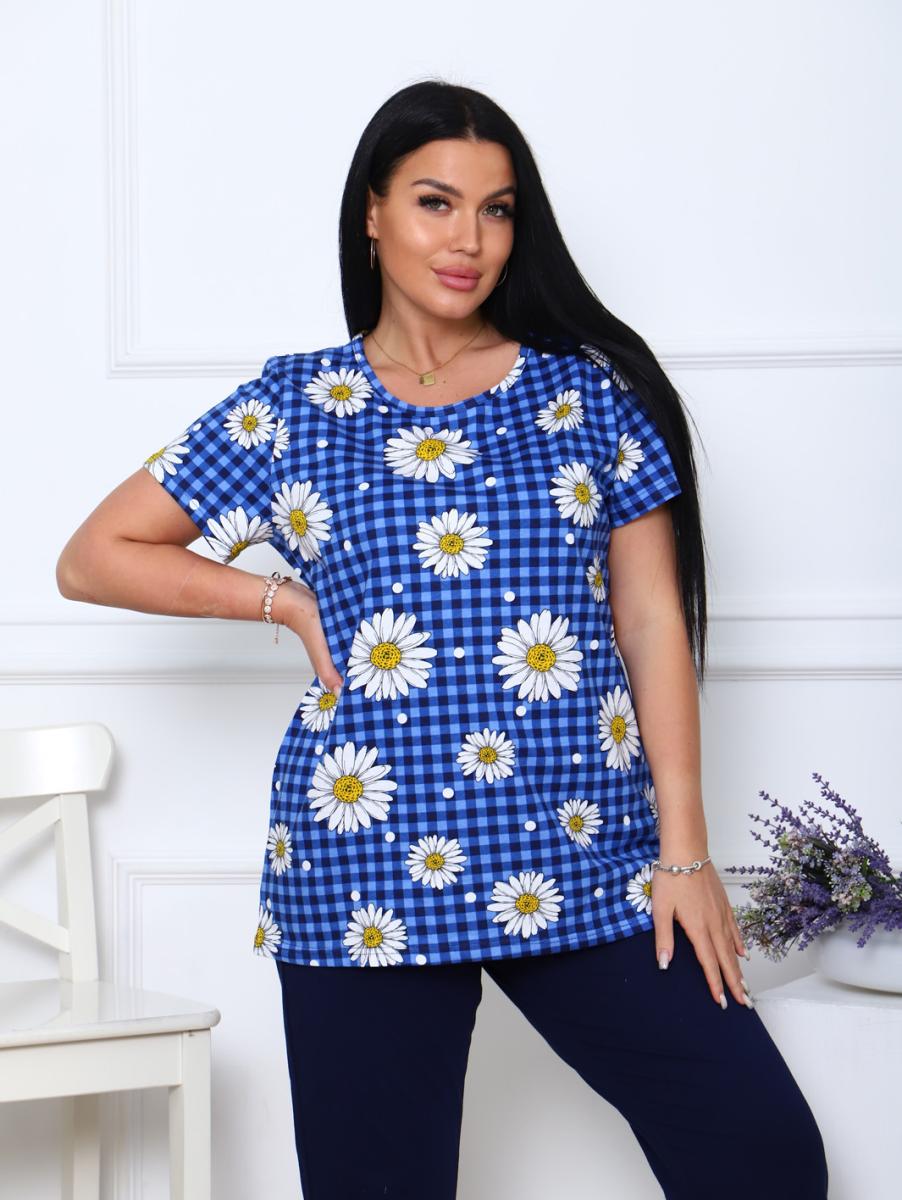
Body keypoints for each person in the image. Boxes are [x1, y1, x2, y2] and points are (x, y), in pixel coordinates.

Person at [56, 79, 829, 1199]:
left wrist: (685, 852)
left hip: (586, 850)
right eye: (435, 202)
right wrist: (280, 602)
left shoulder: (587, 398)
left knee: (759, 1152)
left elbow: (651, 617)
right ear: (372, 213)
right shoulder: (294, 406)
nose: (469, 239)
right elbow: (93, 556)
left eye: (496, 209)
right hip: (365, 867)